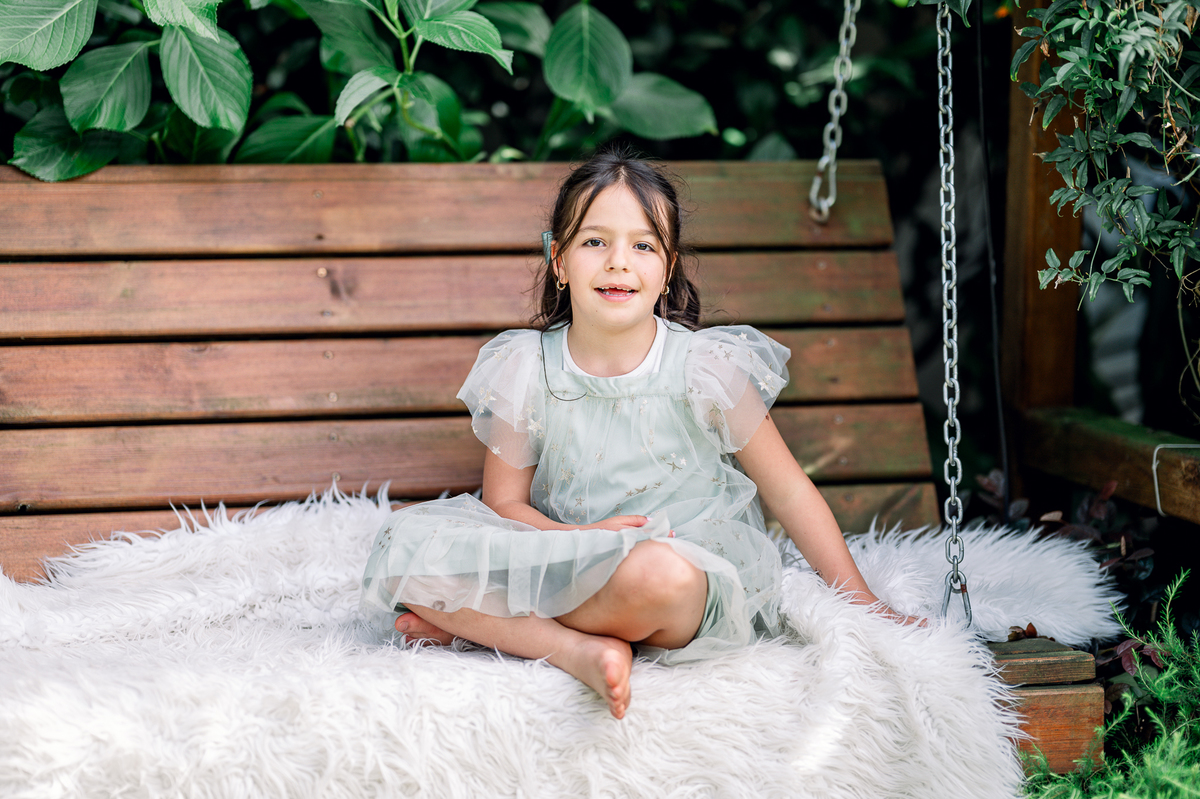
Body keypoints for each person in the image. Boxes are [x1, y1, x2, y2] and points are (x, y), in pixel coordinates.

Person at [361, 148, 916, 720]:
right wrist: (578, 540)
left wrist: (865, 602)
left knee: (656, 574)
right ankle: (575, 649)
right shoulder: (527, 366)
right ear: (559, 260)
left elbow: (791, 492)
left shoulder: (706, 367)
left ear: (668, 268)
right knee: (406, 549)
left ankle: (485, 625)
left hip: (676, 572)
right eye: (594, 241)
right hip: (563, 554)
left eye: (643, 246)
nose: (618, 262)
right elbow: (505, 506)